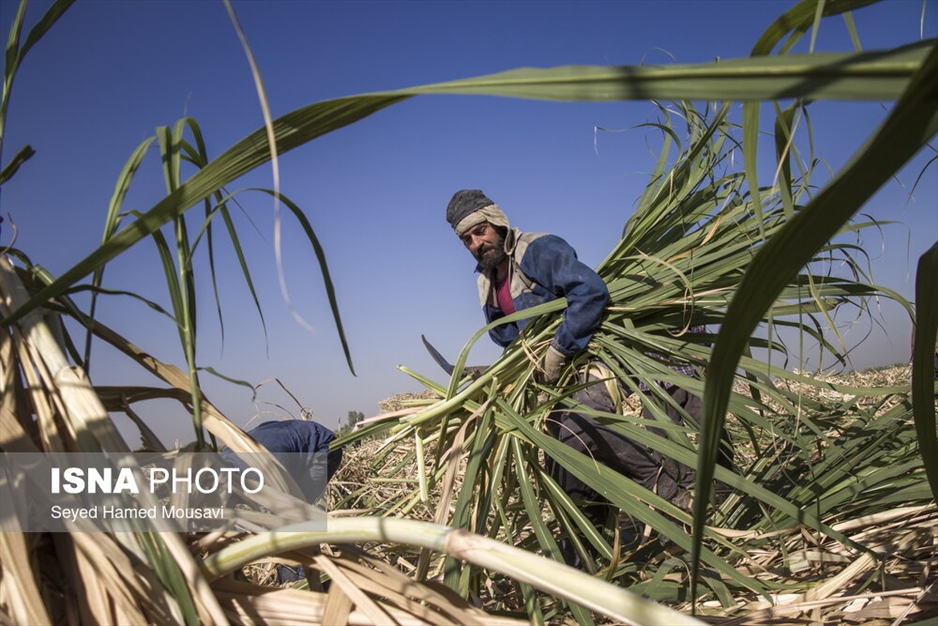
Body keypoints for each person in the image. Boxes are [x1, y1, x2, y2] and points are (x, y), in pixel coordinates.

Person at [446, 189, 715, 566]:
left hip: (591, 355)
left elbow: (589, 292)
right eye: (467, 239)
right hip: (557, 380)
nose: (477, 242)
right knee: (561, 460)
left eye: (481, 230)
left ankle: (669, 495)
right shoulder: (486, 282)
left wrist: (560, 347)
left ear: (498, 222)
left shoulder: (536, 250)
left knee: (580, 423)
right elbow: (512, 341)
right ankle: (584, 558)